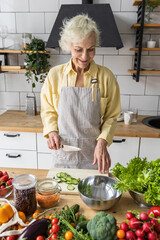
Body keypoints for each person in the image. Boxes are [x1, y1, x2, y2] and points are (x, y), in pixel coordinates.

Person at [41, 14, 121, 173]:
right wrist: (51, 132)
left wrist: (102, 142)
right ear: (68, 46)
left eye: (91, 49)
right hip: (63, 154)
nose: (85, 56)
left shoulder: (106, 77)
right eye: (78, 49)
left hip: (95, 155)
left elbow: (111, 116)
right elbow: (48, 110)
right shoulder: (55, 75)